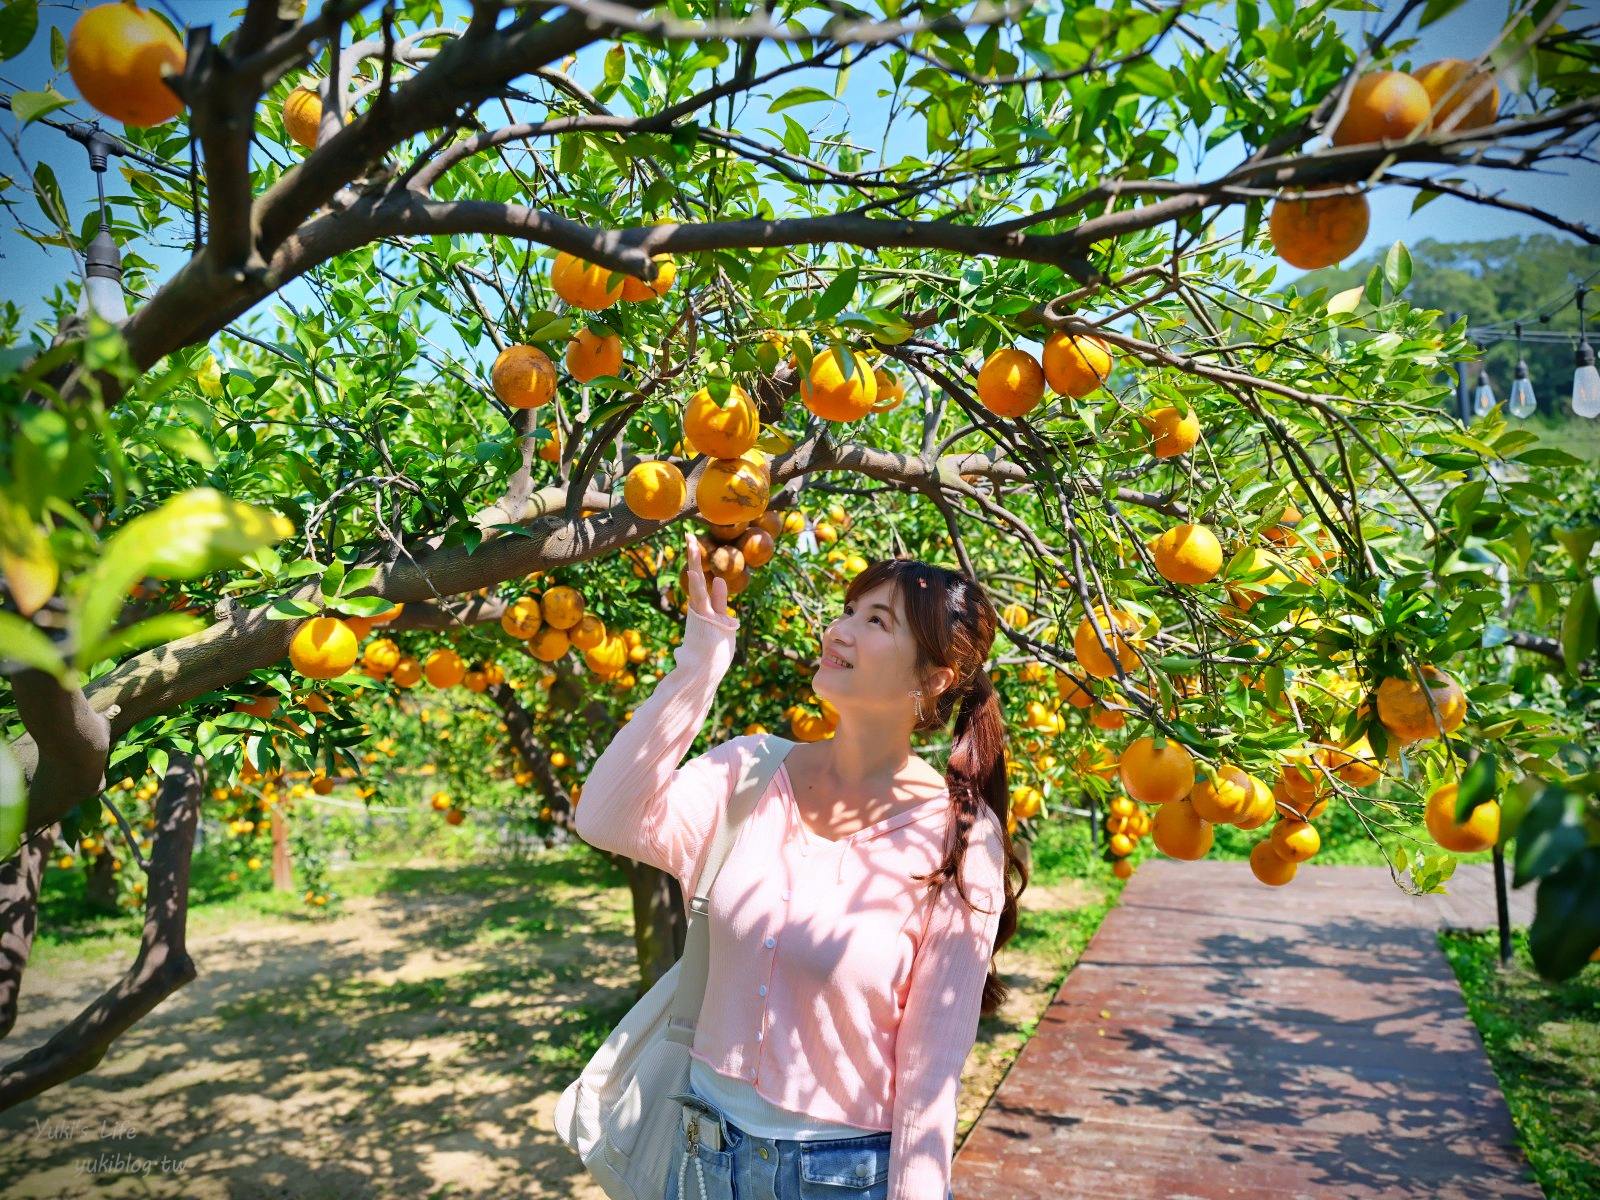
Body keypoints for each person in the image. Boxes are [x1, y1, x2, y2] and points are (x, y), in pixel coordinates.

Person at [573, 530, 1027, 1200]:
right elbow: (604, 817)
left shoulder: (960, 840)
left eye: (875, 621)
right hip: (700, 1155)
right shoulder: (750, 773)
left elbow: (930, 1075)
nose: (837, 630)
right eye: (847, 610)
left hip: (841, 1178)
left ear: (934, 679)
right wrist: (699, 664)